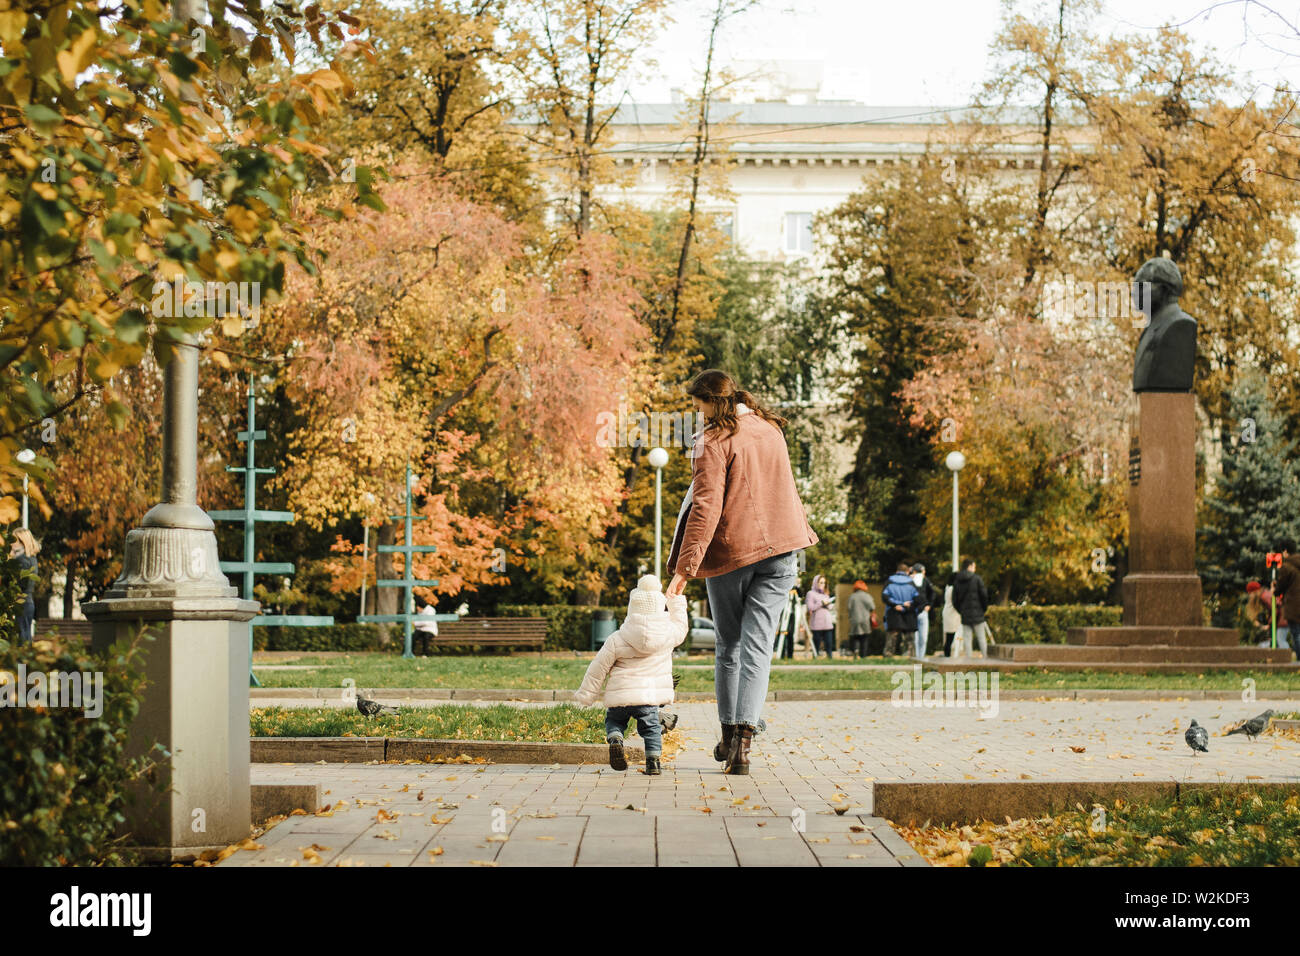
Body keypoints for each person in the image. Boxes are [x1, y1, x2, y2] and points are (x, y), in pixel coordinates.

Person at [666, 369, 819, 775]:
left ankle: (730, 735)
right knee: (758, 649)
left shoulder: (711, 441)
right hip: (783, 549)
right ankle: (742, 749)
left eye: (697, 406)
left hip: (734, 553)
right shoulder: (771, 429)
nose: (696, 415)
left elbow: (705, 507)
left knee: (729, 646)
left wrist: (685, 568)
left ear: (714, 402)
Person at [575, 574, 689, 776]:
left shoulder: (617, 638)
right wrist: (676, 599)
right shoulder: (668, 634)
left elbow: (598, 668)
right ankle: (653, 762)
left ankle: (616, 738)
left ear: (631, 608)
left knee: (614, 721)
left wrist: (586, 695)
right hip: (649, 698)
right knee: (651, 729)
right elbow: (681, 626)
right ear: (659, 607)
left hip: (621, 696)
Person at [953, 556, 990, 658]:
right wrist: (983, 609)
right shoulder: (976, 579)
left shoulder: (957, 581)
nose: (975, 568)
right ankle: (986, 660)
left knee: (967, 639)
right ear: (970, 566)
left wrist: (961, 610)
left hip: (965, 614)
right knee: (981, 638)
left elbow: (954, 600)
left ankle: (969, 662)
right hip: (978, 613)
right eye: (974, 566)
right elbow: (984, 595)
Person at [883, 563, 920, 657]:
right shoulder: (911, 582)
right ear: (907, 572)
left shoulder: (889, 581)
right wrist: (906, 605)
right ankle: (911, 656)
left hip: (893, 612)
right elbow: (917, 599)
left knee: (892, 636)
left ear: (897, 571)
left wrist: (895, 604)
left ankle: (888, 655)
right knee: (909, 638)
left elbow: (885, 597)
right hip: (909, 613)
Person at [1271, 542, 1300, 659]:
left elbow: (1281, 586)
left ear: (1286, 551)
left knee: (1297, 633)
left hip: (1294, 605)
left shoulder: (1287, 566)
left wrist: (1274, 589)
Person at [10, 529, 39, 645]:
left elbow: (21, 584)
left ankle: (21, 664)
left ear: (22, 542)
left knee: (21, 640)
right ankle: (25, 663)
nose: (11, 543)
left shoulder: (22, 560)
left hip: (21, 604)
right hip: (27, 603)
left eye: (14, 540)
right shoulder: (31, 558)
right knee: (25, 638)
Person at [806, 574, 836, 659]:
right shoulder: (810, 594)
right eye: (821, 582)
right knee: (816, 646)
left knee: (829, 644)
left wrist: (829, 604)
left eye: (824, 583)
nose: (822, 584)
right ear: (816, 582)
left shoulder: (826, 594)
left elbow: (829, 608)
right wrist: (821, 603)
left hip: (827, 623)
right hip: (816, 624)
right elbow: (810, 607)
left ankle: (830, 659)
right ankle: (816, 659)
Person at [911, 563, 937, 659]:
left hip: (917, 611)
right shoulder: (924, 580)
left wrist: (929, 605)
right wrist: (929, 605)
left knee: (917, 637)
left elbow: (932, 593)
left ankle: (919, 656)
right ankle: (919, 656)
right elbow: (933, 593)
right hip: (920, 611)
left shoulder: (919, 580)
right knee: (922, 637)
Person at [847, 580, 875, 658]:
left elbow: (849, 608)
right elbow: (872, 607)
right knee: (864, 637)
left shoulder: (852, 596)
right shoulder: (867, 596)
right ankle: (863, 655)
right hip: (865, 619)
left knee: (855, 636)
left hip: (854, 619)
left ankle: (856, 650)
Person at [942, 571, 962, 657]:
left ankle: (947, 655)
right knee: (950, 637)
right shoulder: (953, 589)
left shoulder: (948, 587)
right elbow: (956, 602)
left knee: (949, 637)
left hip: (948, 613)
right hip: (952, 614)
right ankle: (947, 656)